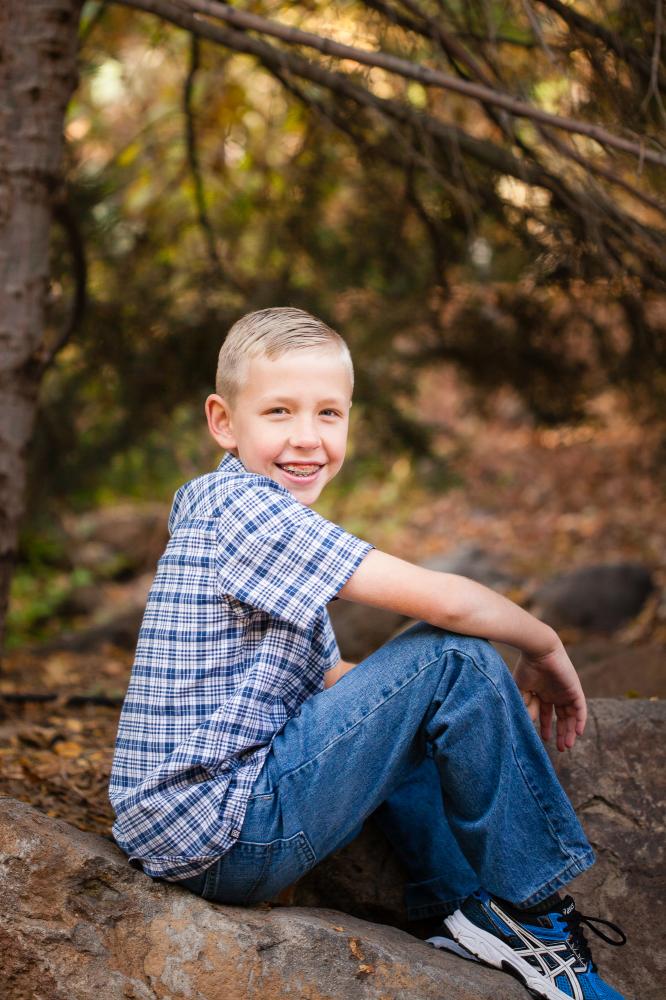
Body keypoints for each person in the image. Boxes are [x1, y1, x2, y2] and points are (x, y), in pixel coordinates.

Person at [109, 307, 627, 1000]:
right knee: (454, 657)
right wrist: (544, 642)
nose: (307, 437)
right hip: (223, 831)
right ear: (224, 422)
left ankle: (460, 909)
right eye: (279, 411)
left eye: (328, 413)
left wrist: (450, 719)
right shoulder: (244, 510)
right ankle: (528, 914)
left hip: (202, 827)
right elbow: (446, 605)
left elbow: (340, 685)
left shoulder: (234, 511)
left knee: (423, 698)